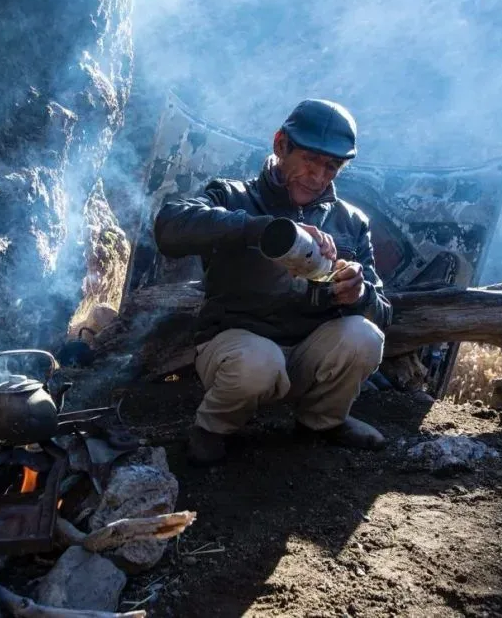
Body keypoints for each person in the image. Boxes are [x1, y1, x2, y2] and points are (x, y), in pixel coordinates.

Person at [154, 99, 393, 465]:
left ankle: (323, 422)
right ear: (281, 144)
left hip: (309, 352)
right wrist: (266, 230)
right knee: (258, 362)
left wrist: (359, 294)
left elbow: (385, 313)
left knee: (365, 336)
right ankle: (212, 427)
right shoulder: (234, 196)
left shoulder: (351, 221)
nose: (318, 176)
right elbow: (169, 227)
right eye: (310, 159)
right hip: (238, 347)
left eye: (331, 167)